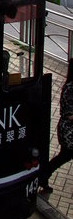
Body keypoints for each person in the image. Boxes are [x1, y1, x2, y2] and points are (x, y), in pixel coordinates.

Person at [41, 59, 73, 193]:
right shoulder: (70, 89)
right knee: (64, 156)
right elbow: (69, 114)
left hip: (67, 129)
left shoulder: (69, 86)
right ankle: (43, 175)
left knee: (63, 156)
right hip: (69, 130)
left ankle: (43, 176)